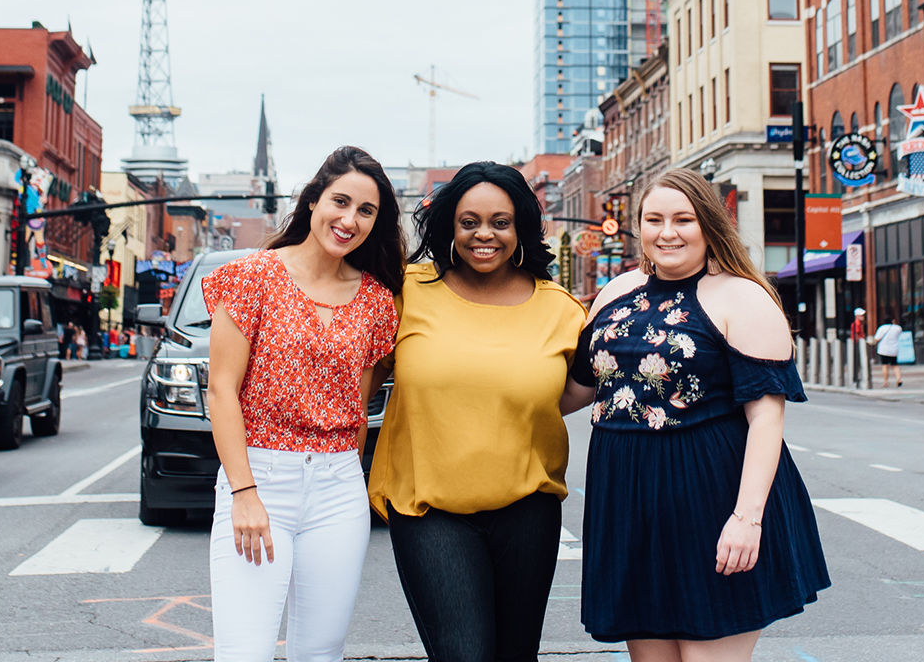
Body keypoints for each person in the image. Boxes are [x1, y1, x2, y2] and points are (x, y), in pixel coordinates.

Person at [561, 168, 829, 660]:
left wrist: (746, 519)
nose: (667, 232)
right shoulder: (616, 292)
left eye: (683, 219)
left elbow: (766, 418)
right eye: (654, 219)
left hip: (712, 498)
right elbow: (576, 389)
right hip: (627, 503)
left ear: (708, 224)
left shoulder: (743, 296)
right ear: (637, 226)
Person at [368, 161, 586, 662]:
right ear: (450, 226)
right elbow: (354, 373)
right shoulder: (407, 291)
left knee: (516, 655)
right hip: (428, 509)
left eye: (500, 222)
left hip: (528, 510)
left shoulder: (562, 309)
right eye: (469, 222)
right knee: (464, 654)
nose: (483, 235)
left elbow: (585, 386)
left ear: (521, 228)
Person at [203, 145, 404, 662]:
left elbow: (359, 408)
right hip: (260, 477)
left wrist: (350, 478)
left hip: (338, 490)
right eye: (340, 201)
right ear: (313, 199)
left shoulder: (378, 301)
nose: (349, 220)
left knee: (321, 651)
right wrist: (243, 494)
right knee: (244, 652)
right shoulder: (252, 277)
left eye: (366, 211)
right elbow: (222, 390)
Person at [873, 312, 902, 388]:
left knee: (885, 365)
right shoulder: (897, 328)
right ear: (892, 320)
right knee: (895, 365)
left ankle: (886, 382)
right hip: (894, 349)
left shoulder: (882, 328)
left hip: (884, 349)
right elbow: (899, 332)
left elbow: (877, 339)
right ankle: (898, 379)